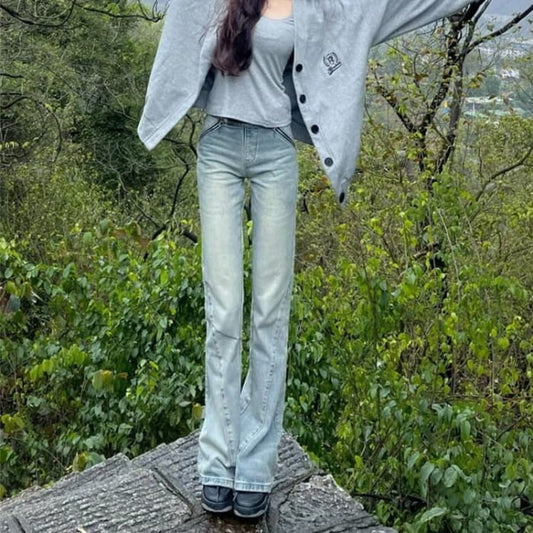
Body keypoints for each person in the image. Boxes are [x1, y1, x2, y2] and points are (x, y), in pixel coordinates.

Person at [138, 0, 476, 519]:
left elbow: (389, 8)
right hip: (219, 148)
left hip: (275, 153)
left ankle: (254, 467)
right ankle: (218, 461)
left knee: (270, 311)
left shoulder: (321, 8)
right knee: (223, 310)